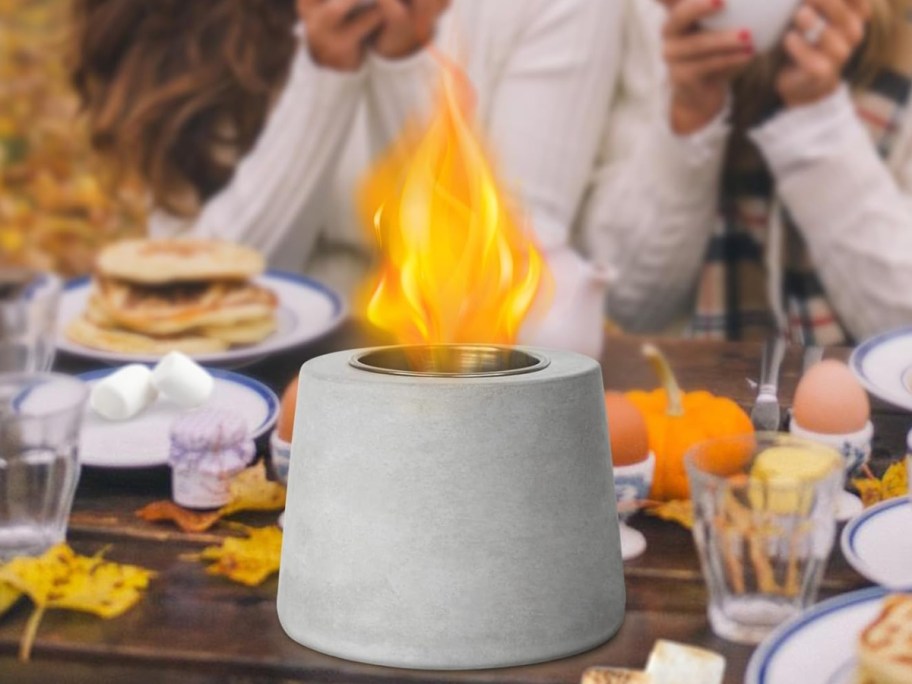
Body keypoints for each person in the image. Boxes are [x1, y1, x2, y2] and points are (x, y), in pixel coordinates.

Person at [72, 0, 622, 356]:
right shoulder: (184, 22)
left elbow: (503, 293)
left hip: (452, 389)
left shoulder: (560, 10)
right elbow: (188, 291)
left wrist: (402, 66)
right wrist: (327, 70)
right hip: (245, 391)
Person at [578, 0, 912, 344]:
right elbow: (625, 306)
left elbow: (904, 331)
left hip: (870, 392)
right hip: (694, 388)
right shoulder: (648, 18)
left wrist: (819, 122)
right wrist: (689, 115)